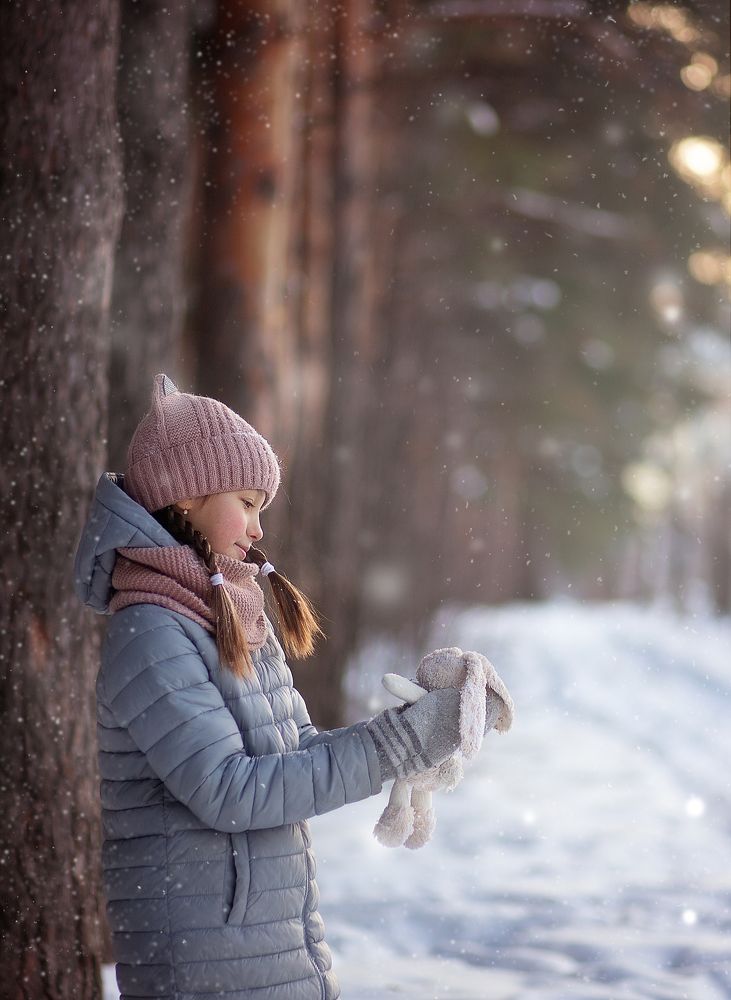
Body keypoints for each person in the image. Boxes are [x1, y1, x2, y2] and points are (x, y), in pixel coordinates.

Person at [73, 372, 506, 1000]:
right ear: (187, 497)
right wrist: (394, 745)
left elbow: (294, 751)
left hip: (264, 942)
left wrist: (418, 729)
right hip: (203, 963)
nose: (256, 529)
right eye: (246, 503)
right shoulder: (151, 630)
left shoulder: (221, 609)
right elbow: (231, 791)